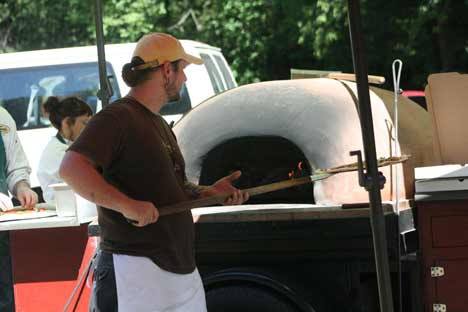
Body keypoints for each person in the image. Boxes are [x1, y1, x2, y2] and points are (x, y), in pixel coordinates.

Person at [59, 33, 249, 312]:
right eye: (182, 69)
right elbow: (71, 168)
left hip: (175, 267)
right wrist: (127, 206)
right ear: (166, 70)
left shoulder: (157, 123)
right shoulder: (118, 117)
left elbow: (174, 187)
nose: (184, 78)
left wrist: (208, 194)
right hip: (138, 267)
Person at [0, 106, 38, 311]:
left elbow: (15, 167)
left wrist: (21, 186)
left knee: (6, 297)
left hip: (2, 229)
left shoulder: (2, 117)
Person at [37, 96, 92, 203]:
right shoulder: (58, 152)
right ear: (66, 123)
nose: (89, 128)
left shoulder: (70, 146)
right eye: (85, 123)